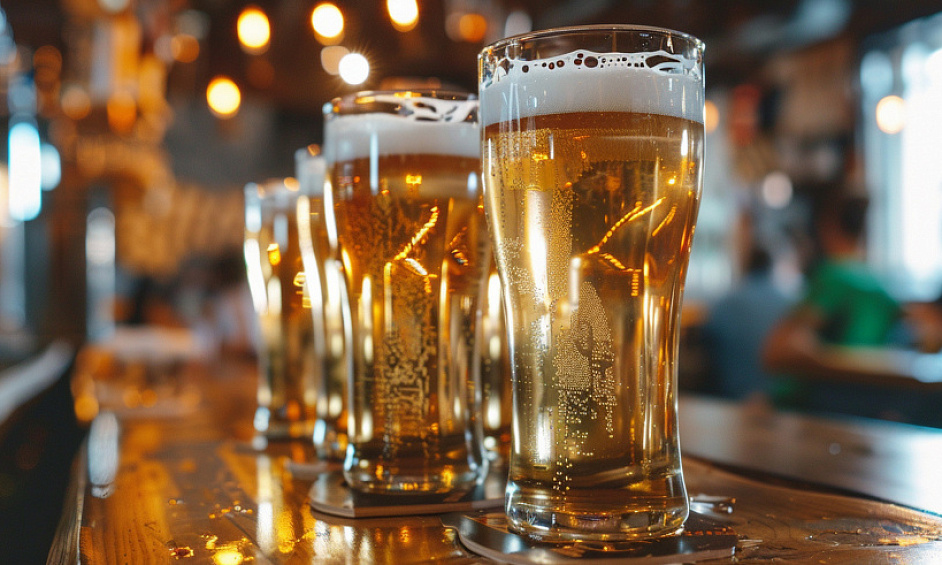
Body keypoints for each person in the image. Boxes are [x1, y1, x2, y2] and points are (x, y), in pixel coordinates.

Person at [762, 192, 920, 420]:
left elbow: (774, 352)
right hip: (870, 409)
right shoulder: (881, 284)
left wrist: (819, 354)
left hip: (818, 410)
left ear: (827, 226)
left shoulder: (832, 277)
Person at [703, 244, 794, 402]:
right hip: (780, 400)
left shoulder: (725, 304)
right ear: (772, 266)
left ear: (744, 263)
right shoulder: (791, 303)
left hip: (731, 399)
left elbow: (707, 340)